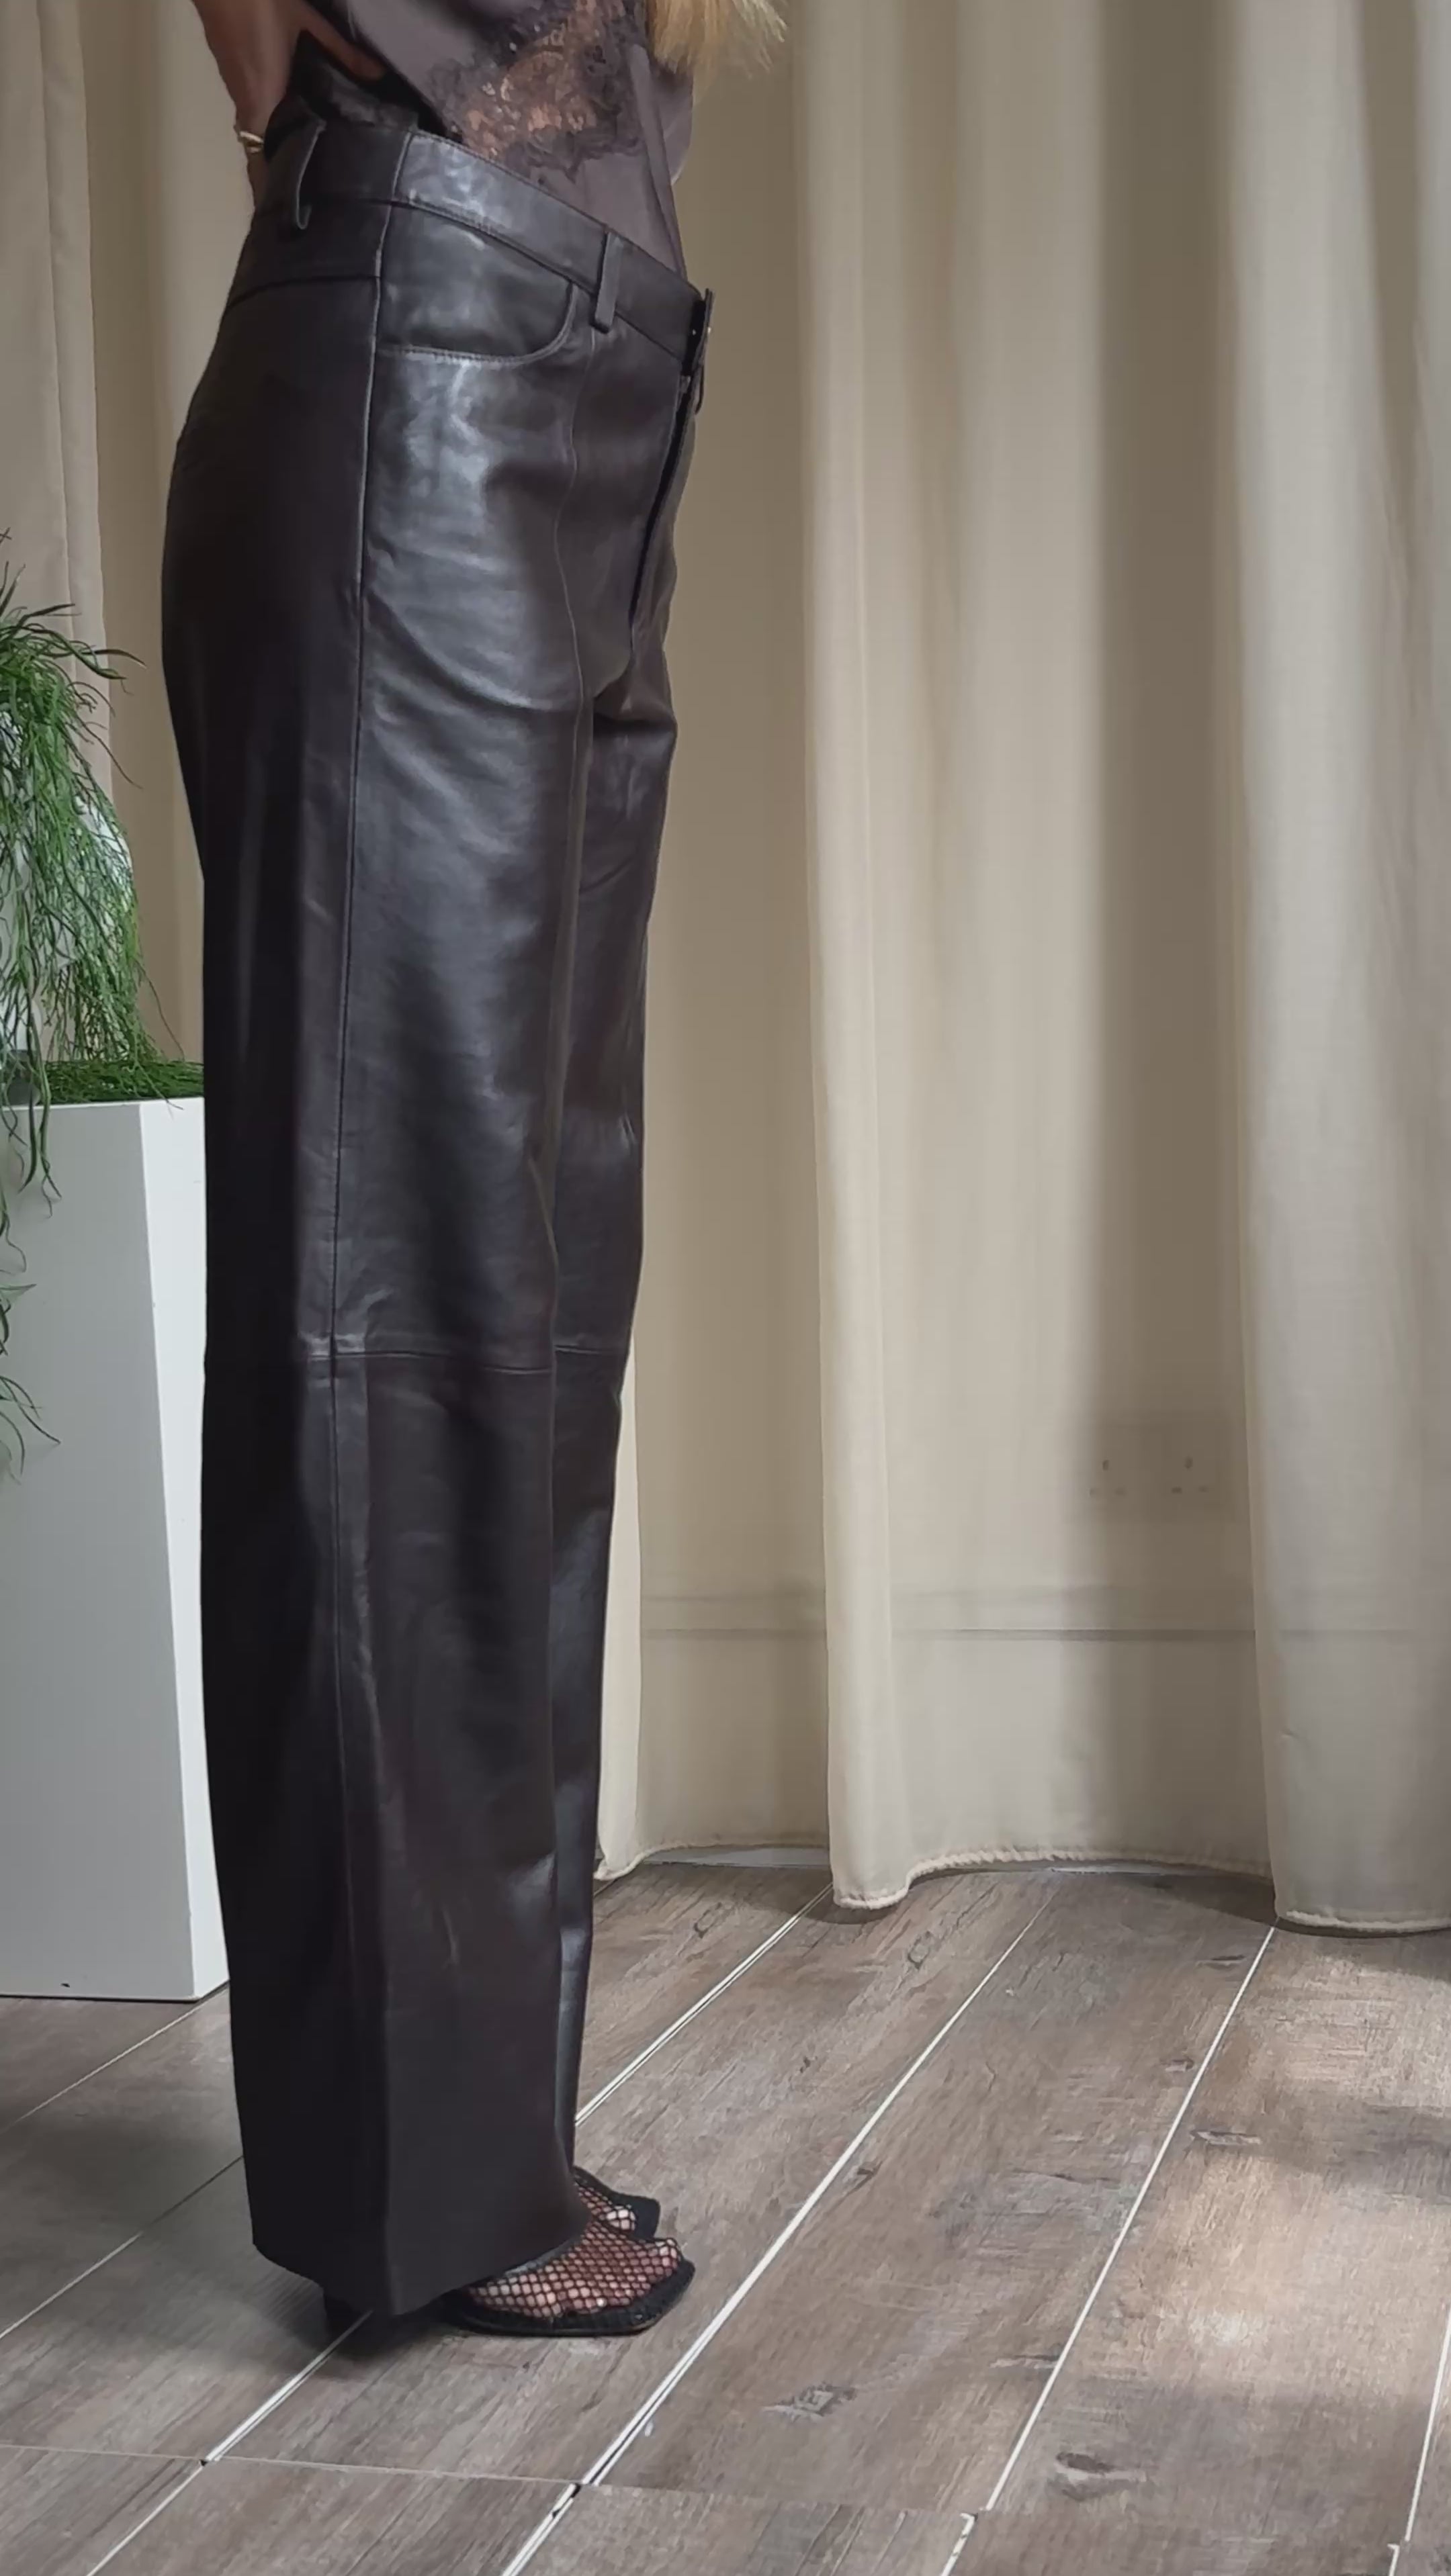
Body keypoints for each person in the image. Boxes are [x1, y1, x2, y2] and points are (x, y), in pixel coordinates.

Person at [165, 0, 775, 2341]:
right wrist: (289, 126)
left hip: (589, 380)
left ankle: (485, 2123)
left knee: (532, 1328)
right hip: (415, 355)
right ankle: (419, 2191)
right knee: (391, 1313)